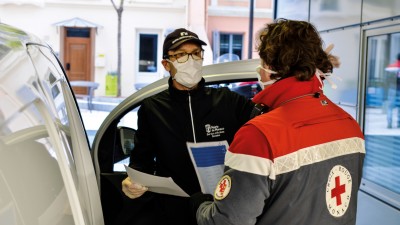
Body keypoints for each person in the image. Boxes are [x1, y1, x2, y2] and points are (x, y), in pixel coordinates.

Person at [191, 18, 366, 225]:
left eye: (261, 61)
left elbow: (226, 221)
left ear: (271, 66)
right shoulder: (350, 125)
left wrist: (200, 206)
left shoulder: (258, 135)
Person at [121, 28, 255, 225]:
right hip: (174, 209)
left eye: (195, 53)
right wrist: (131, 182)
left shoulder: (229, 101)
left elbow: (262, 135)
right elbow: (142, 161)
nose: (191, 61)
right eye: (181, 55)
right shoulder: (153, 109)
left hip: (223, 208)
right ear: (167, 64)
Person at [385, 53, 400, 128]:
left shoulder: (391, 67)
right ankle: (399, 123)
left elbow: (386, 79)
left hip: (392, 88)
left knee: (390, 106)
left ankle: (389, 123)